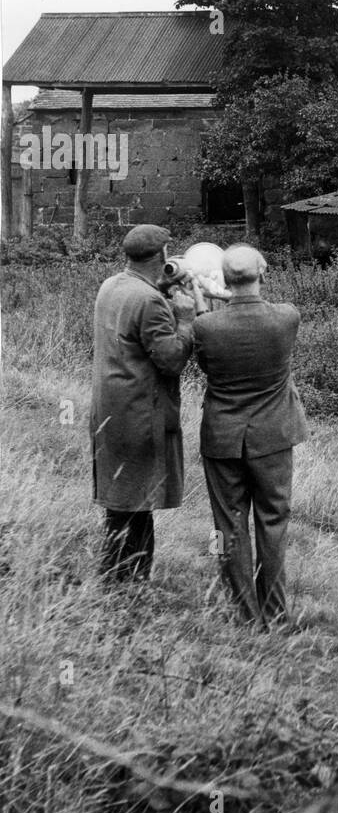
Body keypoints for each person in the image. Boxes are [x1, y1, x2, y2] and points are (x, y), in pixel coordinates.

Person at [193, 245, 308, 629]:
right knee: (273, 523)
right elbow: (256, 304)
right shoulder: (286, 318)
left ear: (223, 279)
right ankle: (276, 614)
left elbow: (207, 362)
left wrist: (206, 297)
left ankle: (245, 616)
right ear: (263, 272)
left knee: (229, 526)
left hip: (222, 436)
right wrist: (231, 293)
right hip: (273, 436)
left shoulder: (205, 326)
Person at [91, 224, 203, 582]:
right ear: (162, 255)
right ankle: (128, 585)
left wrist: (162, 287)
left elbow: (136, 320)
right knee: (137, 505)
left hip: (111, 410)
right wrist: (186, 320)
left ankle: (117, 580)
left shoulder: (112, 285)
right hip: (140, 413)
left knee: (122, 504)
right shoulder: (149, 300)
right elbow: (170, 360)